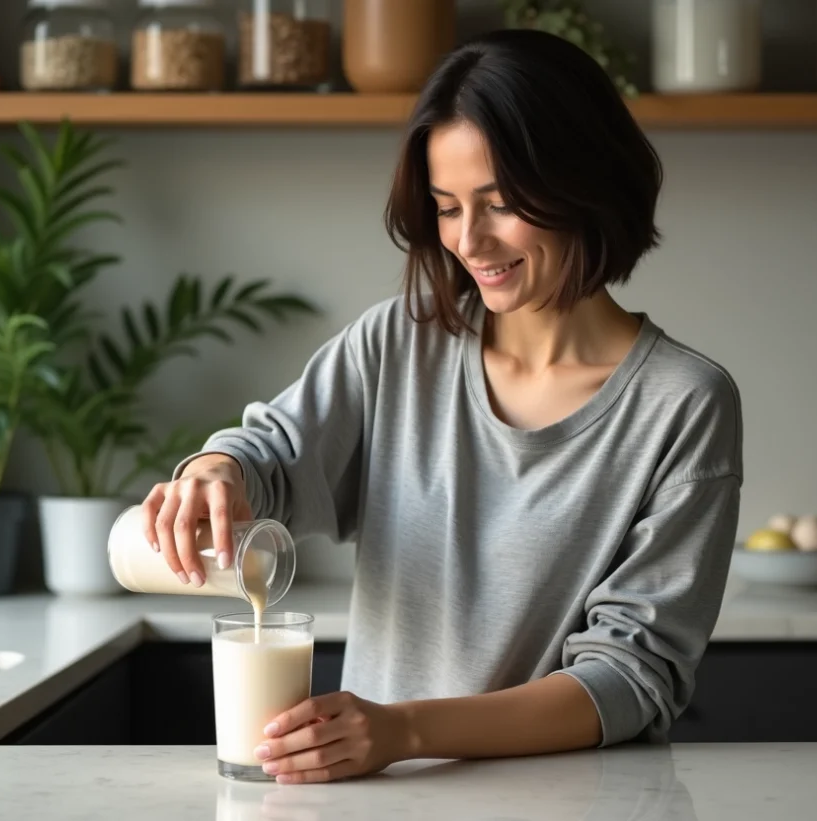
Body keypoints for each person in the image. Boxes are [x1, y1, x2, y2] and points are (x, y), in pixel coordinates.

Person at [141, 28, 743, 785]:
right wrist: (218, 466)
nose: (470, 241)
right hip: (381, 798)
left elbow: (630, 680)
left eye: (500, 204)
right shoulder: (399, 343)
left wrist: (405, 727)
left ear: (583, 182)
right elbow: (275, 457)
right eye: (448, 206)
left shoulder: (683, 404)